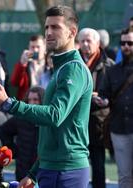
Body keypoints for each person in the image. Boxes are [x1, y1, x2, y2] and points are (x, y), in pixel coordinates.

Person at [0, 5, 93, 188]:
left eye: (55, 27)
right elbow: (51, 134)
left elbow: (55, 116)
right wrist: (34, 172)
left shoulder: (73, 69)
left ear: (72, 32)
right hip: (49, 169)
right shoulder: (62, 67)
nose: (48, 32)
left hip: (67, 171)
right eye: (47, 27)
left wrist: (9, 104)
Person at [78, 28, 114, 188]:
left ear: (98, 43)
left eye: (89, 41)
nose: (85, 44)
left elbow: (114, 94)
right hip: (76, 122)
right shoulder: (72, 63)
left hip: (98, 122)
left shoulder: (109, 65)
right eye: (82, 41)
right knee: (77, 165)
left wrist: (104, 98)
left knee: (98, 165)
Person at [99, 28, 133, 188]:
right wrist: (103, 100)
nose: (126, 46)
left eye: (130, 43)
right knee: (124, 175)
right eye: (123, 43)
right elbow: (104, 93)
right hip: (119, 129)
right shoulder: (112, 71)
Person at [0, 86, 44, 181]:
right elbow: (3, 130)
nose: (32, 102)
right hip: (23, 169)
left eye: (35, 99)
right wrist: (13, 150)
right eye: (29, 99)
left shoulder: (48, 120)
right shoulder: (20, 118)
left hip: (42, 170)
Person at [11, 35, 50, 100]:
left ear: (44, 47)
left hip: (45, 103)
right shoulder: (24, 65)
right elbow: (15, 82)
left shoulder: (50, 64)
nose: (35, 50)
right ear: (28, 48)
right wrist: (22, 64)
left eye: (38, 47)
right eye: (32, 47)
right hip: (28, 103)